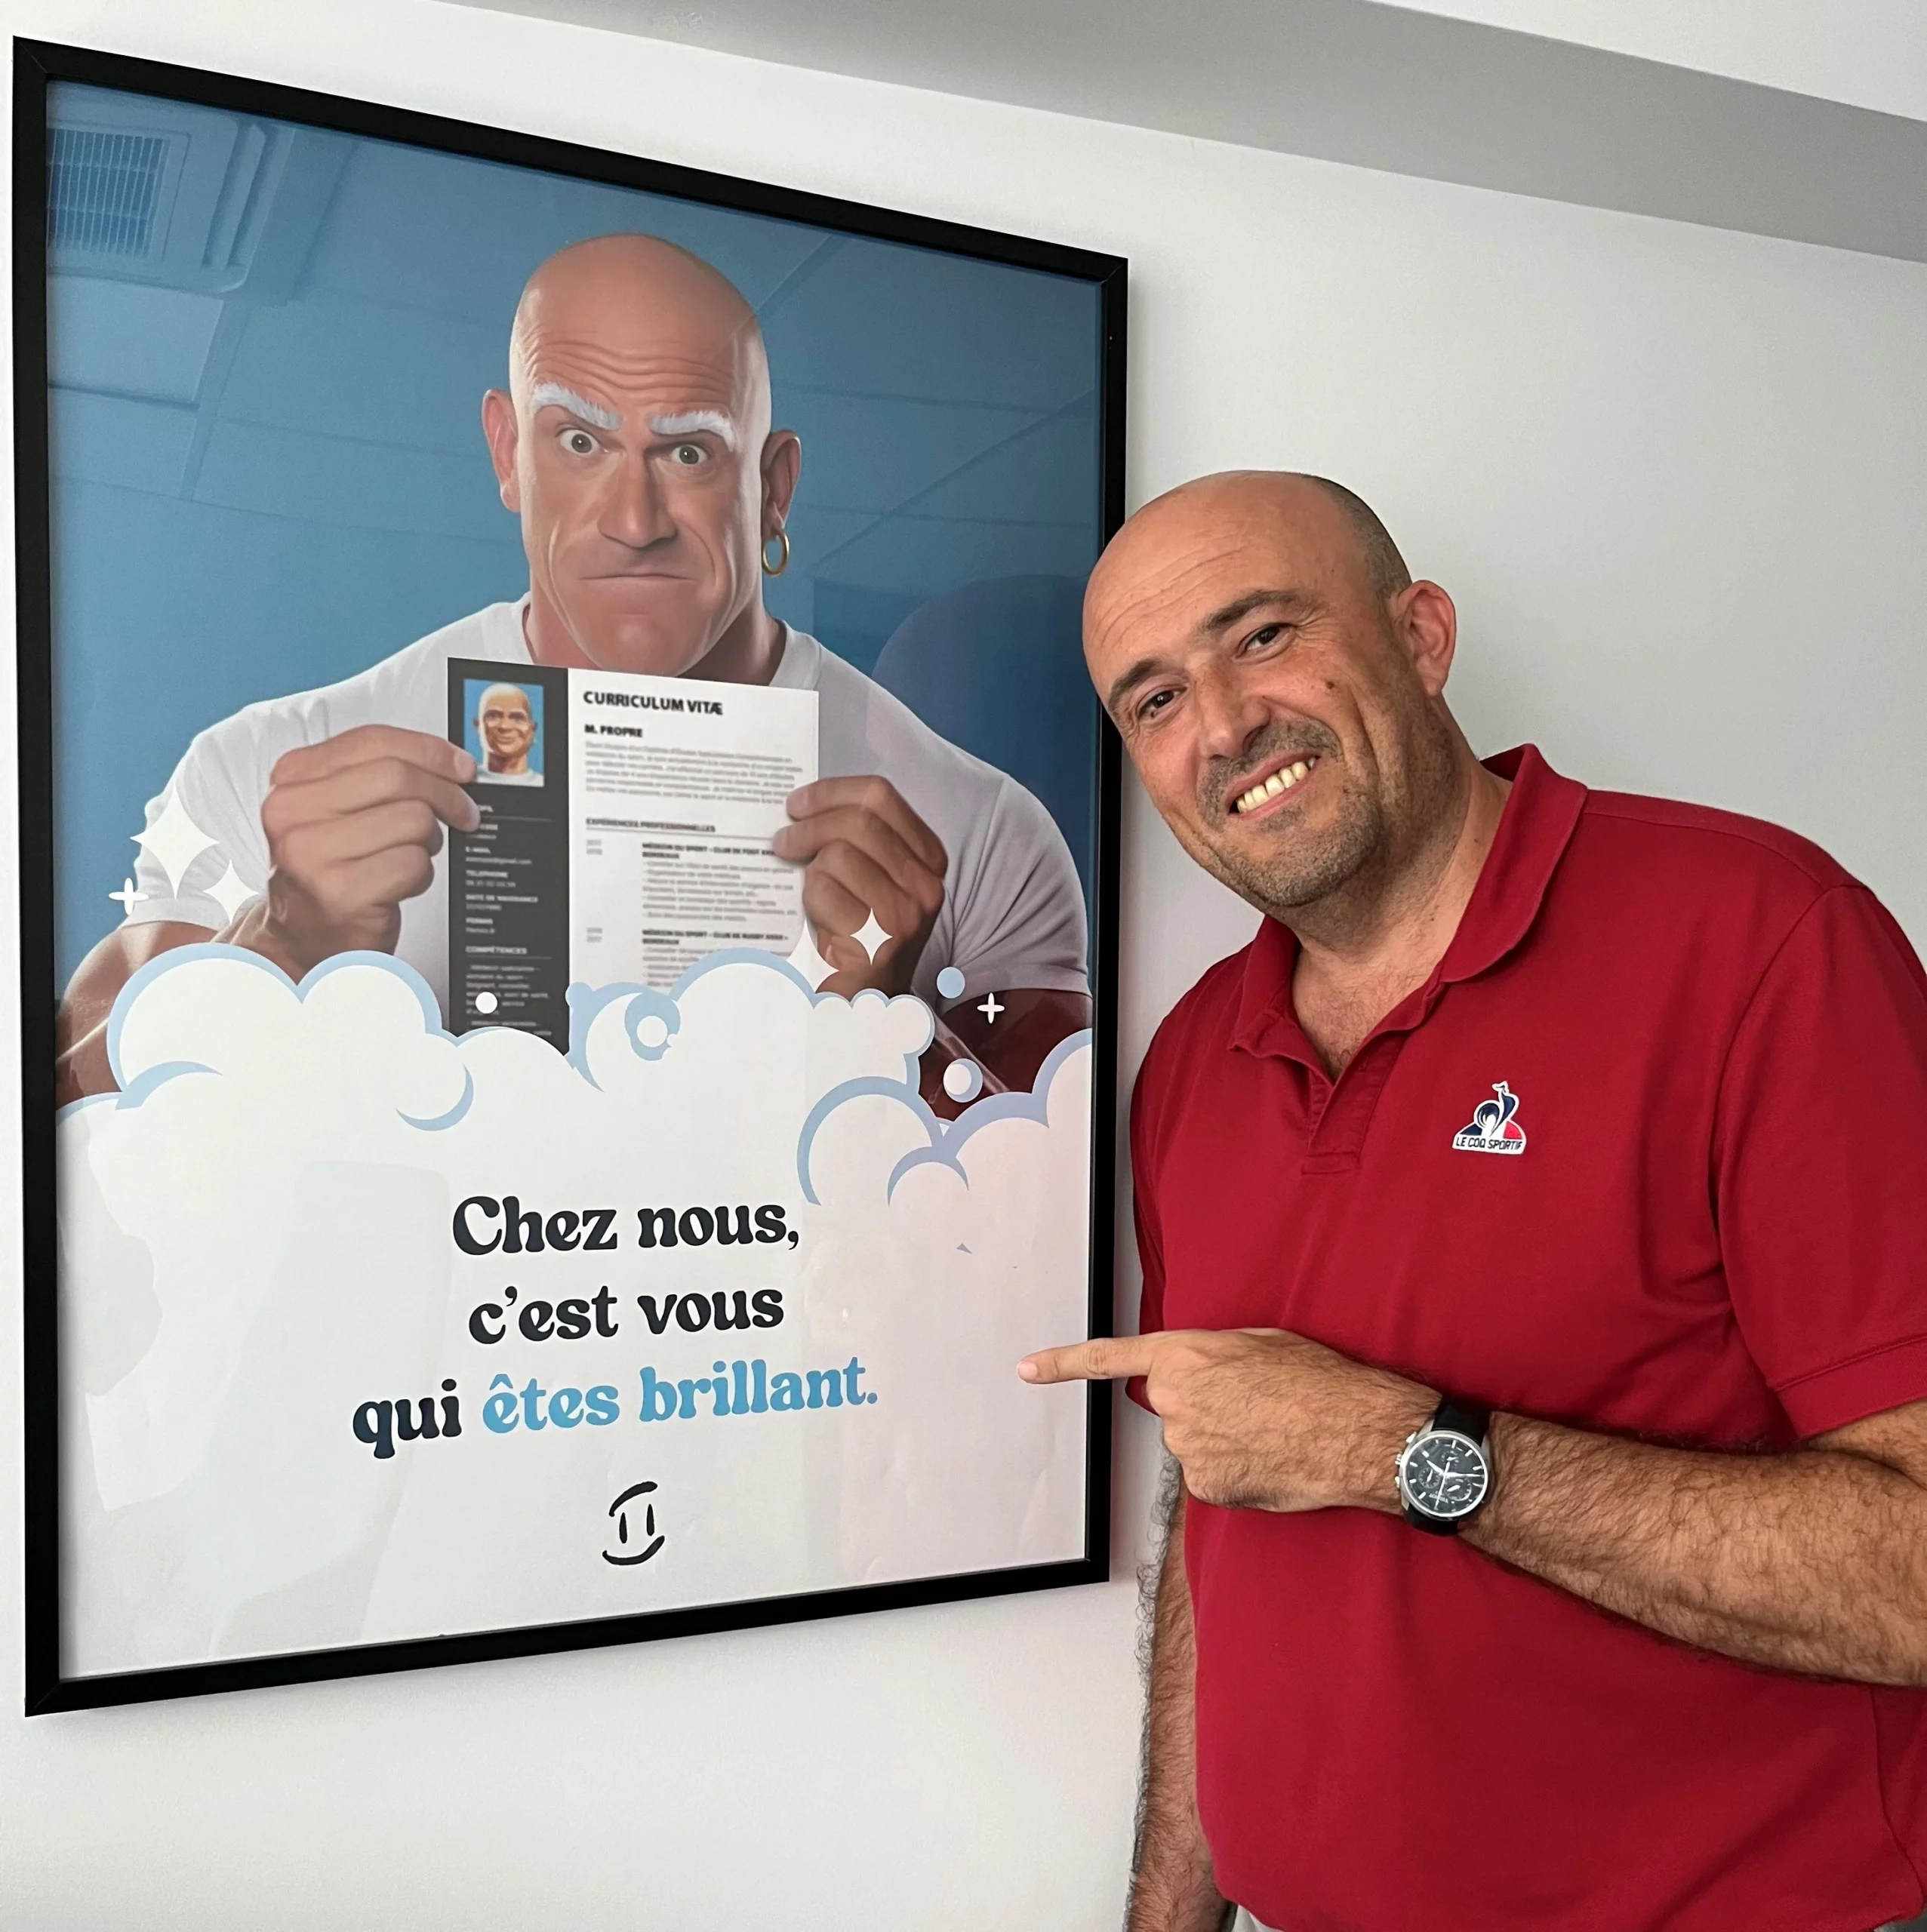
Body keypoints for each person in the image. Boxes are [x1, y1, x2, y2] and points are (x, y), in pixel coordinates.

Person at [1021, 472, 1927, 1932]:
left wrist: (1403, 1450)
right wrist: (1166, 1916)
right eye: (1155, 699)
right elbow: (1223, 1511)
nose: (1224, 724)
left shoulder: (1759, 944)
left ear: (1420, 636)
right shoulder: (1194, 1058)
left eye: (1261, 636)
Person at [55, 234, 1090, 1106]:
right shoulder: (265, 769)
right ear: (508, 452)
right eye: (581, 441)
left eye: (689, 452)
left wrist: (877, 1030)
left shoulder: (982, 829)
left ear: (774, 489)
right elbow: (64, 1121)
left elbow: (1055, 1211)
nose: (633, 521)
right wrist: (277, 948)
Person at [472, 682, 542, 785]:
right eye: (493, 716)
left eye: (517, 718)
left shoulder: (548, 785)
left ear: (532, 729)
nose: (505, 726)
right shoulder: (463, 783)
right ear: (478, 725)